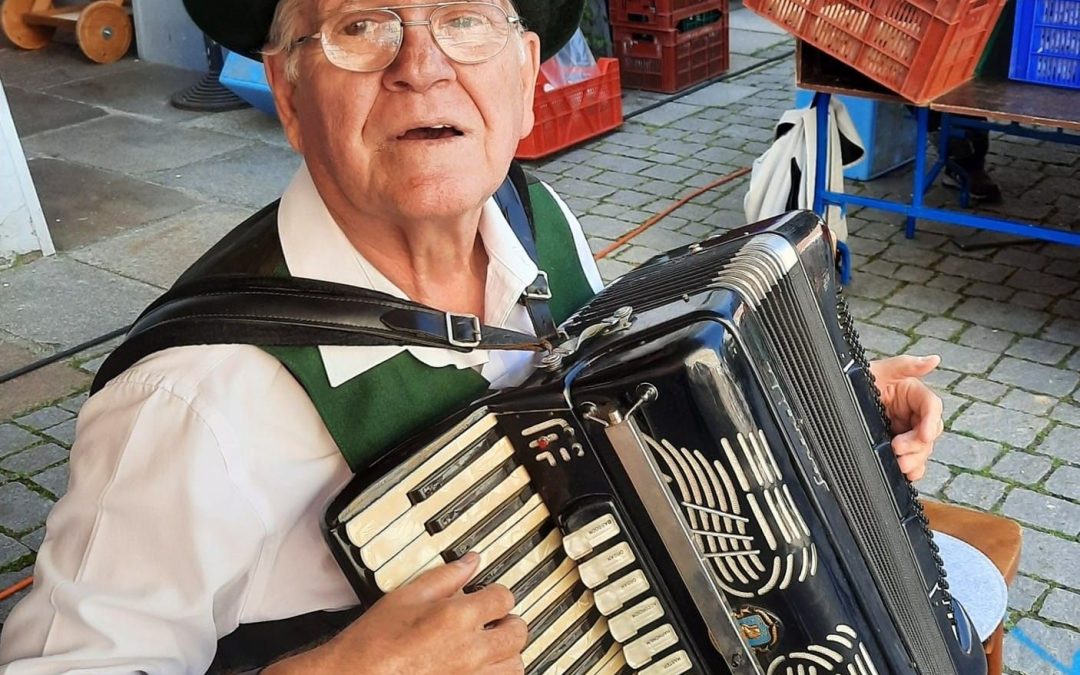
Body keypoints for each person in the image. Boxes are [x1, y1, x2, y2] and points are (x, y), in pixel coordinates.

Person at [0, 1, 951, 673]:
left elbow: (621, 424)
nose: (423, 65)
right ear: (290, 99)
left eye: (464, 18)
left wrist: (824, 417)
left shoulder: (535, 220)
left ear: (527, 77)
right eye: (361, 25)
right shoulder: (191, 396)